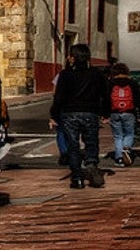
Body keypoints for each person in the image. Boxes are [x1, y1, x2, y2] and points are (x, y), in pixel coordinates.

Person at [50, 44, 110, 189]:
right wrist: (105, 113)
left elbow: (59, 97)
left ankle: (77, 177)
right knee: (91, 142)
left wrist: (54, 115)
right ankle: (91, 163)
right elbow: (105, 94)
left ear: (73, 58)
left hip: (70, 114)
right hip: (90, 112)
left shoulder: (65, 74)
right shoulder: (96, 74)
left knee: (73, 145)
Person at [107, 62, 140, 167]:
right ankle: (126, 148)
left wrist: (105, 115)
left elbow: (106, 100)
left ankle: (119, 159)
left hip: (114, 113)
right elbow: (138, 100)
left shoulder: (110, 83)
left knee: (117, 136)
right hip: (129, 112)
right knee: (129, 134)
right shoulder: (132, 83)